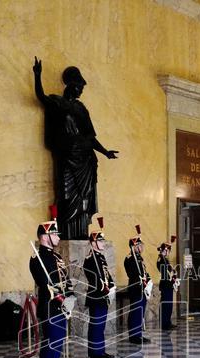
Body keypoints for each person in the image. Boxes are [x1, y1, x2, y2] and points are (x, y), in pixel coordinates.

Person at [33, 58, 118, 240]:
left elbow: (90, 136)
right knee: (65, 194)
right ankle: (65, 232)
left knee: (84, 197)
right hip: (67, 156)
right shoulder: (57, 102)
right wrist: (37, 76)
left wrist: (105, 152)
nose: (81, 91)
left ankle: (81, 233)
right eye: (80, 86)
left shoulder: (81, 108)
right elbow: (41, 97)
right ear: (72, 85)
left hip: (85, 158)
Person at [30, 215, 74, 358]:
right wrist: (60, 298)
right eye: (54, 234)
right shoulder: (37, 259)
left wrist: (70, 298)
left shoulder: (57, 257)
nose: (58, 237)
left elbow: (66, 279)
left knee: (58, 343)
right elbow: (44, 282)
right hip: (50, 307)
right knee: (50, 344)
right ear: (44, 237)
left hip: (62, 307)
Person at [82, 217, 115, 358]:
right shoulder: (90, 258)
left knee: (101, 325)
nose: (103, 243)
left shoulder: (100, 257)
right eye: (100, 241)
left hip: (104, 295)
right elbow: (95, 279)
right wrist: (105, 288)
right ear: (93, 243)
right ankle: (95, 353)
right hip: (96, 295)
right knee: (96, 325)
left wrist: (112, 286)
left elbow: (106, 274)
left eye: (103, 241)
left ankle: (100, 350)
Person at [124, 225, 152, 343]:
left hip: (142, 288)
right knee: (135, 311)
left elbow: (144, 272)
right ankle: (134, 336)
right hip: (136, 288)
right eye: (139, 245)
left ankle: (138, 333)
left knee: (140, 311)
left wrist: (148, 280)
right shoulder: (130, 258)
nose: (141, 247)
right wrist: (142, 281)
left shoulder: (139, 258)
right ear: (134, 246)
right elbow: (134, 274)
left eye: (141, 245)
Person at [158, 237, 179, 331]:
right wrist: (162, 253)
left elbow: (171, 270)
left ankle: (168, 322)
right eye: (167, 250)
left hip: (169, 285)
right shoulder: (161, 260)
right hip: (165, 285)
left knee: (169, 305)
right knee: (165, 305)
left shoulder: (166, 260)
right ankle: (164, 323)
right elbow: (164, 271)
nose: (168, 252)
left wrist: (174, 276)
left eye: (169, 250)